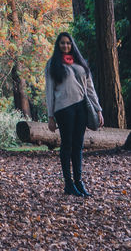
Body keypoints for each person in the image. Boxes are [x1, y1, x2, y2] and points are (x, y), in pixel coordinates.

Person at [45, 32, 103, 197]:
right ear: (58, 45)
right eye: (62, 43)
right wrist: (50, 116)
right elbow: (49, 91)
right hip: (63, 109)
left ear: (72, 45)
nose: (65, 46)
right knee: (67, 145)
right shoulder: (53, 64)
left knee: (78, 146)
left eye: (68, 43)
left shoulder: (80, 63)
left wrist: (98, 109)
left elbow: (90, 87)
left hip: (81, 107)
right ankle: (68, 184)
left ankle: (79, 182)